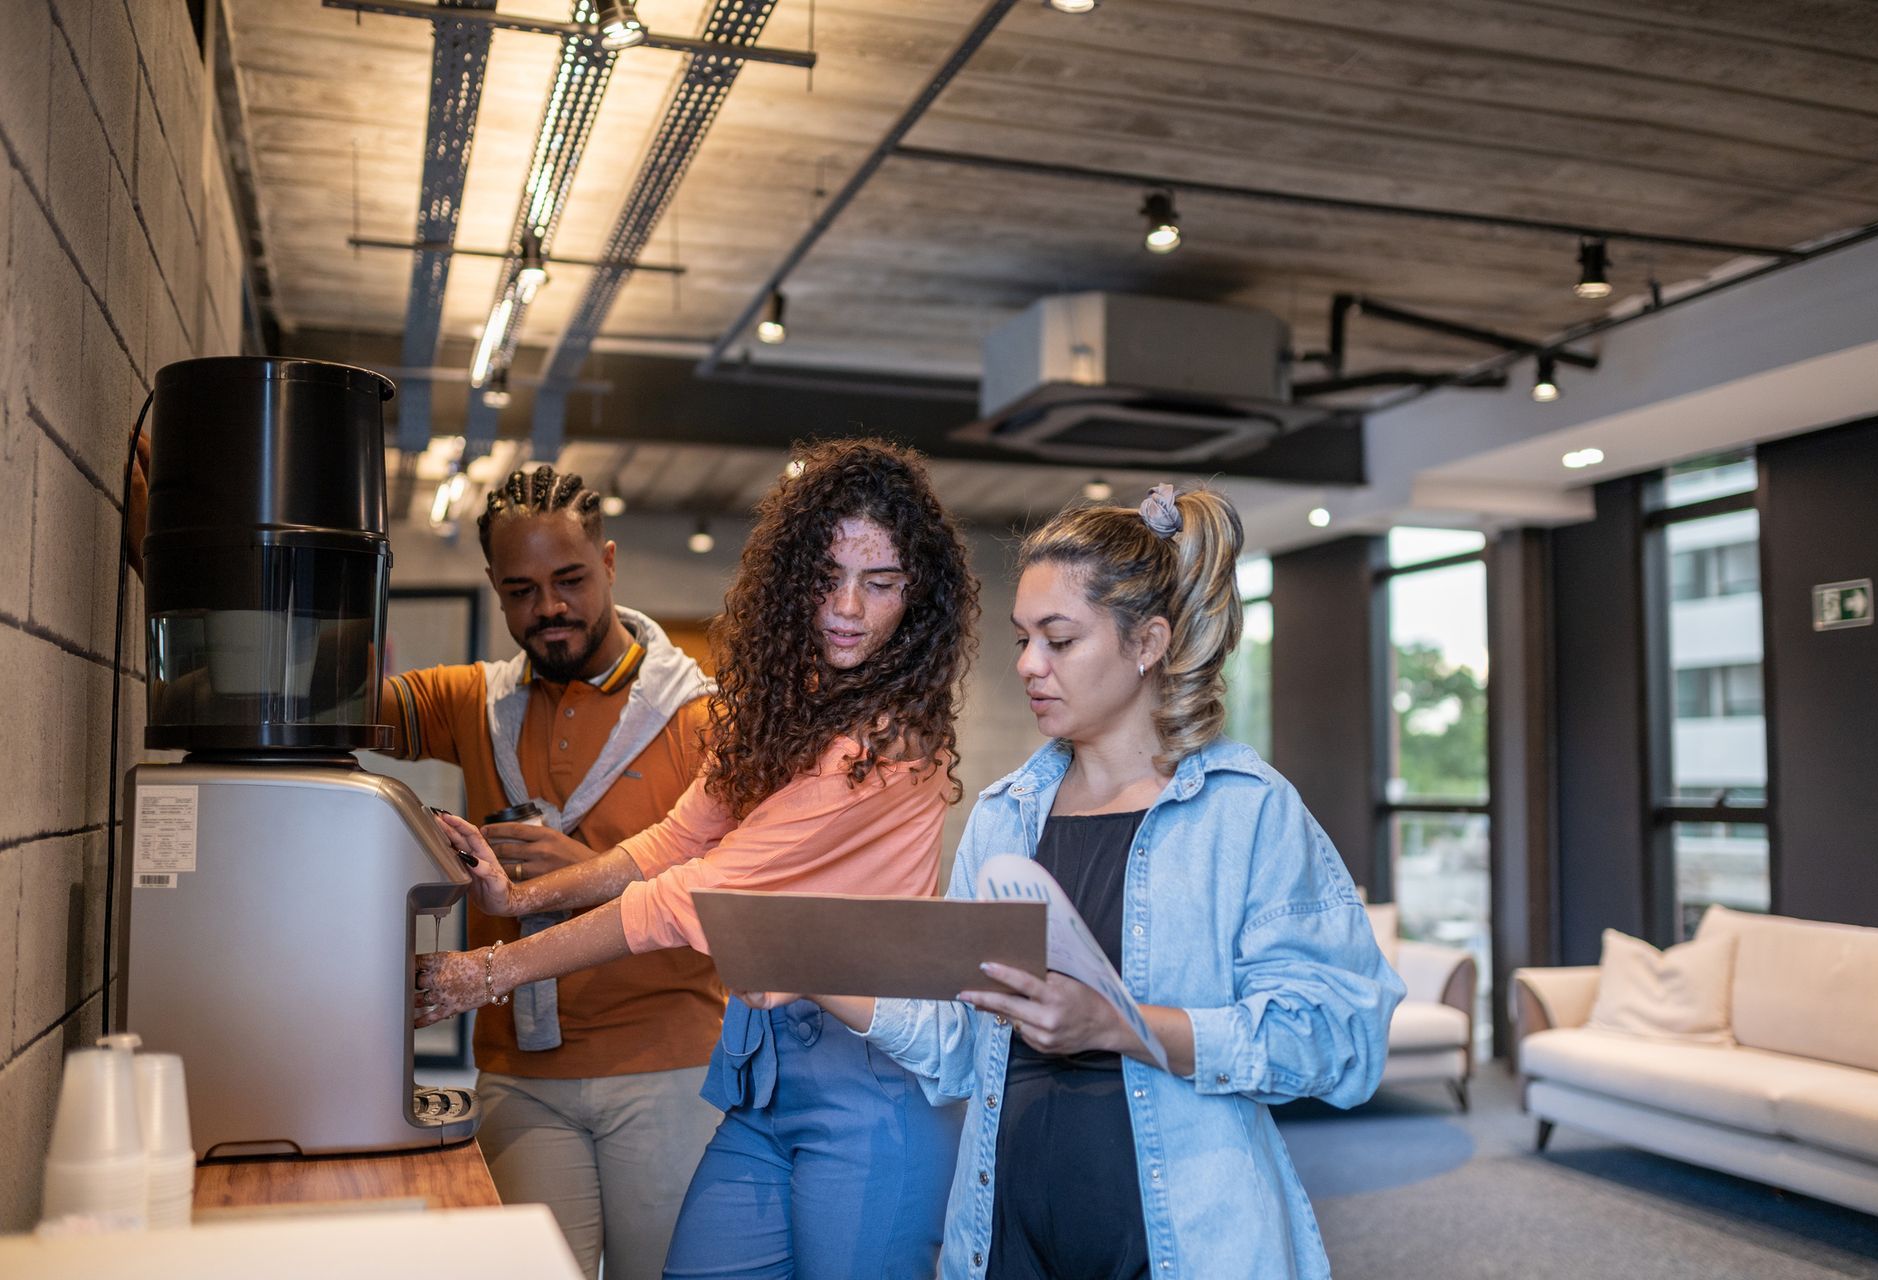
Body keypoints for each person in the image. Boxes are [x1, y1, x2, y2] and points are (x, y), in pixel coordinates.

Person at [749, 484, 1403, 1280]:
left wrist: (1120, 1025)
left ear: (1148, 642)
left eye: (1059, 640)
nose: (1029, 665)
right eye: (1024, 639)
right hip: (1006, 1235)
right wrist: (806, 966)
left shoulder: (1247, 813)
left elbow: (1340, 1041)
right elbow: (959, 1047)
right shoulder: (1004, 817)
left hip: (1180, 1244)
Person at [416, 438, 978, 1280]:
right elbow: (671, 843)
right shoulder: (783, 713)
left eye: (881, 583)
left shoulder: (894, 742)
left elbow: (696, 892)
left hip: (872, 1084)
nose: (848, 608)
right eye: (826, 577)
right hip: (761, 1066)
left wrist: (487, 971)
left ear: (917, 594)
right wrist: (519, 899)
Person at [384, 465, 725, 1280]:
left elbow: (735, 894)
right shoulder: (474, 702)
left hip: (669, 1068)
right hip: (520, 1074)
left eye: (570, 579)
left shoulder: (701, 716)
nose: (549, 609)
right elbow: (325, 699)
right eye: (521, 590)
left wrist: (595, 871)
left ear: (608, 562)